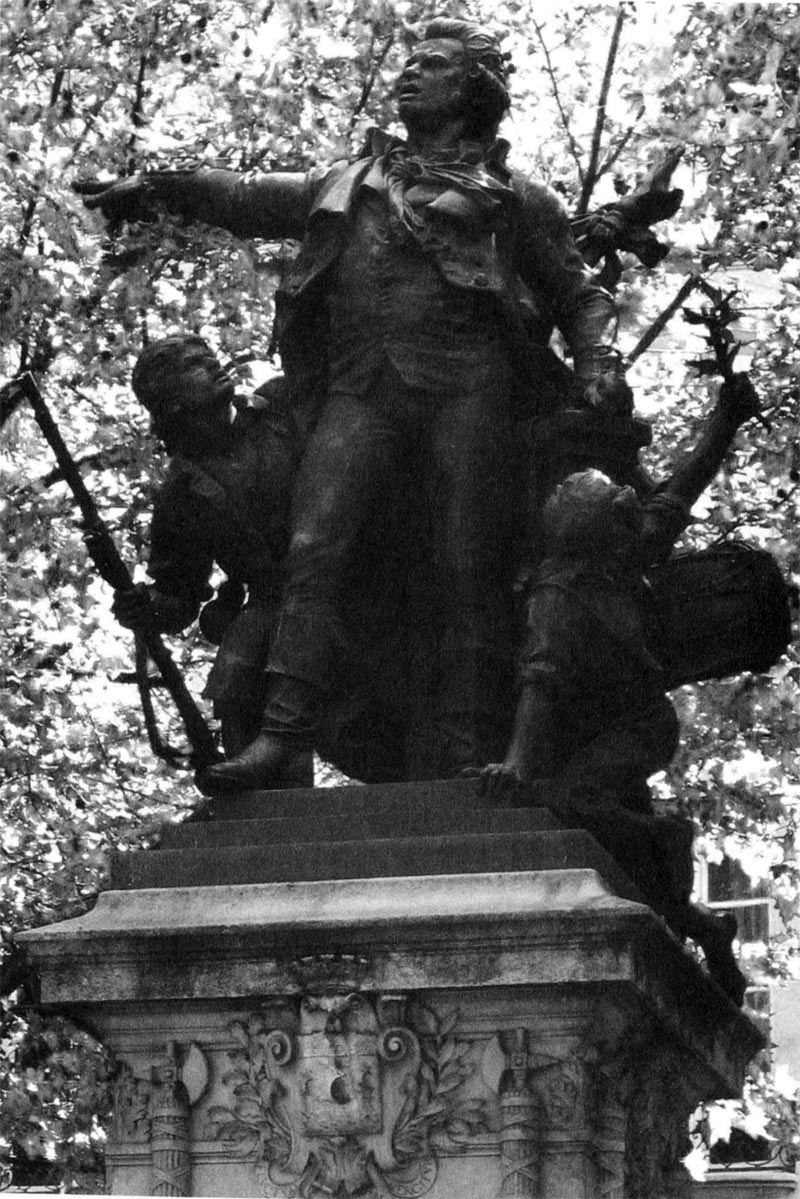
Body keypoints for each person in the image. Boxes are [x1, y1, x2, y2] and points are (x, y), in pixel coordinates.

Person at [77, 17, 619, 791]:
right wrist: (156, 190)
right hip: (361, 389)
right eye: (408, 62)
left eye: (430, 65)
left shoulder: (513, 197)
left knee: (467, 565)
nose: (409, 74)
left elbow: (578, 292)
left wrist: (598, 359)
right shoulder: (346, 180)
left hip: (469, 388)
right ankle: (282, 737)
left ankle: (465, 753)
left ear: (474, 89)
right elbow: (242, 196)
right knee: (313, 548)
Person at [112, 334, 312, 784]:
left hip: (344, 570)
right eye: (195, 366)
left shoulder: (279, 409)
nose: (214, 363)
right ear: (172, 404)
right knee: (238, 665)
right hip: (273, 600)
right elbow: (179, 599)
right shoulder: (179, 497)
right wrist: (145, 608)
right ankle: (265, 807)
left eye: (209, 356)